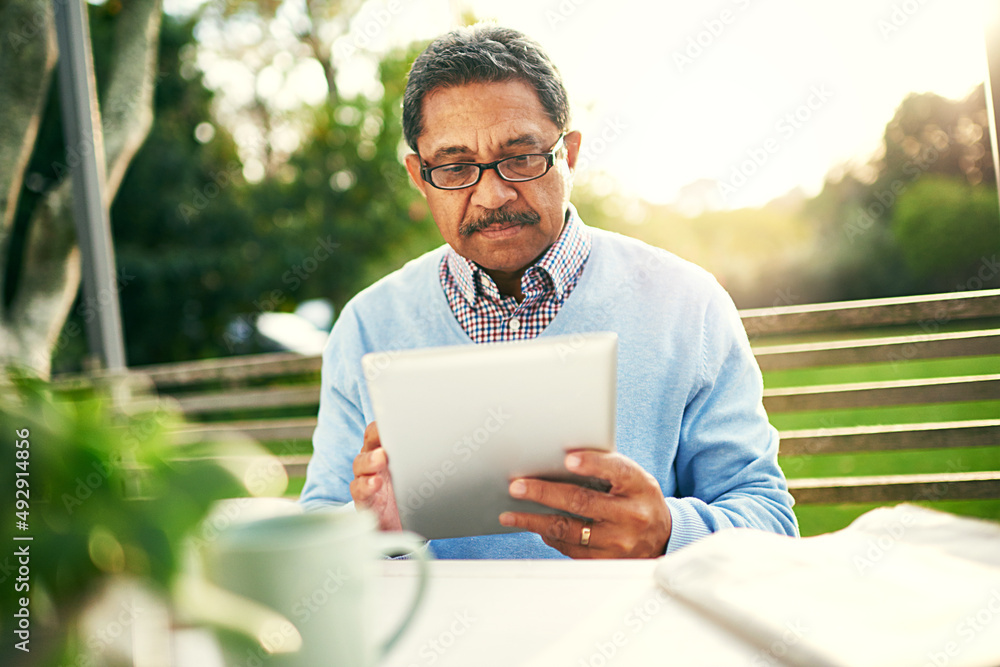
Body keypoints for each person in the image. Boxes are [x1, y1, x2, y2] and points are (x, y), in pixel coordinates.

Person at [299, 23, 798, 558]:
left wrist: (666, 532)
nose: (492, 194)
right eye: (455, 166)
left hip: (636, 635)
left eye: (521, 157)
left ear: (570, 154)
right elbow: (316, 534)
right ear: (420, 177)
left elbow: (769, 518)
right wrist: (365, 532)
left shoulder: (687, 305)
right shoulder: (367, 325)